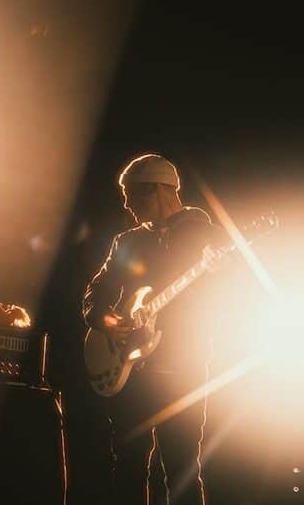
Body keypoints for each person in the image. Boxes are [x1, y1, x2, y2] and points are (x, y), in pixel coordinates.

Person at [82, 153, 223, 504]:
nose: (127, 206)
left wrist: (224, 274)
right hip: (133, 370)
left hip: (182, 368)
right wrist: (103, 319)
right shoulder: (128, 241)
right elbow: (97, 291)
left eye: (131, 196)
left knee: (181, 469)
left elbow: (236, 295)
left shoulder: (208, 236)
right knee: (128, 465)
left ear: (156, 191)